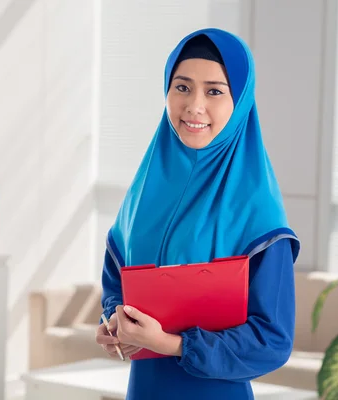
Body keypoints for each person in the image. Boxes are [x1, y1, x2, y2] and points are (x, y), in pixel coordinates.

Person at [95, 28, 300, 400]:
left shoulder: (259, 212)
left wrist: (173, 344)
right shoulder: (142, 195)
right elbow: (117, 285)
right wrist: (114, 325)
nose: (194, 106)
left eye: (215, 91)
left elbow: (272, 340)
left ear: (239, 102)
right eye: (183, 87)